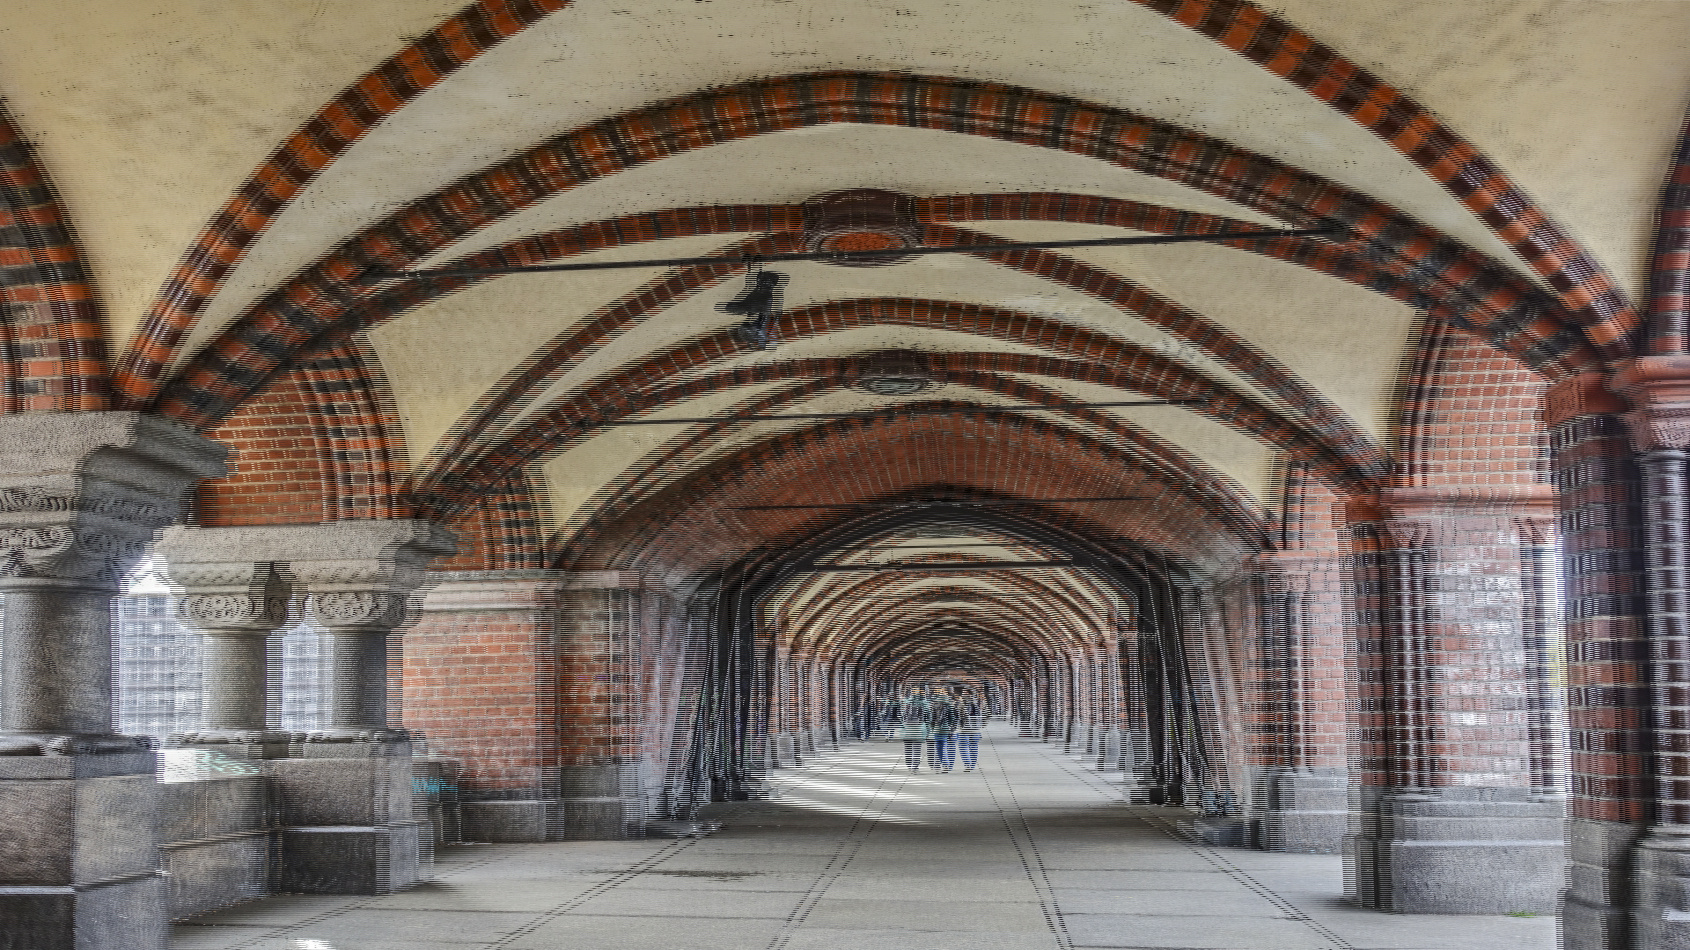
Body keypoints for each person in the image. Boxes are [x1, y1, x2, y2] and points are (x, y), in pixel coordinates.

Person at [896, 686, 932, 769]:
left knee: (908, 748)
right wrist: (927, 730)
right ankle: (915, 767)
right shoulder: (925, 703)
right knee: (917, 748)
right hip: (919, 728)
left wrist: (903, 726)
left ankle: (909, 765)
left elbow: (900, 715)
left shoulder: (905, 702)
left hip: (907, 728)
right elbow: (929, 718)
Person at [928, 686, 960, 772]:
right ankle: (948, 766)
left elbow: (933, 718)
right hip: (950, 729)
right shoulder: (953, 703)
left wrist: (931, 728)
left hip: (938, 729)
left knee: (939, 747)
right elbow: (953, 718)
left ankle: (944, 765)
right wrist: (951, 728)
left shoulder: (935, 703)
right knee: (948, 747)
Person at [957, 687, 986, 772]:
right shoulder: (979, 703)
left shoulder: (961, 703)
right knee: (974, 746)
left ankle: (967, 764)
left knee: (963, 746)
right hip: (976, 728)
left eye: (964, 693)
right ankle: (972, 765)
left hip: (964, 728)